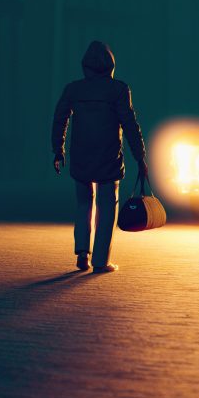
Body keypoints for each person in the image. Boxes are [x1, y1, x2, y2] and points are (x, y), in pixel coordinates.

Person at [51, 41, 148, 274]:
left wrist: (58, 149)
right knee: (107, 207)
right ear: (110, 66)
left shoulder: (73, 89)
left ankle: (82, 253)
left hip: (81, 156)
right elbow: (130, 125)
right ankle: (101, 261)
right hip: (108, 157)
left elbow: (59, 119)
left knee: (83, 204)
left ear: (85, 66)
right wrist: (140, 156)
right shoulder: (118, 90)